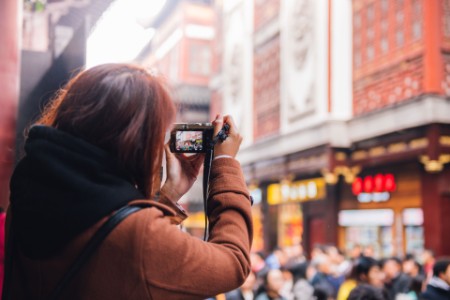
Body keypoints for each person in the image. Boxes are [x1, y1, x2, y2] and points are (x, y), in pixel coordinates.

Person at [5, 64, 253, 299]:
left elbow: (121, 269)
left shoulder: (29, 190)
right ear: (134, 139)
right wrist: (224, 163)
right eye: (156, 132)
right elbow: (233, 262)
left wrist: (168, 196)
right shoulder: (138, 234)